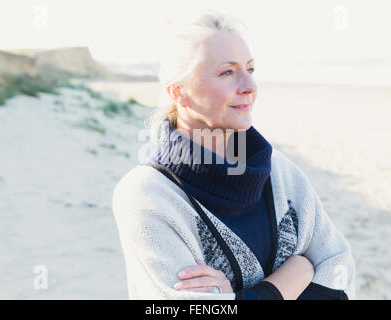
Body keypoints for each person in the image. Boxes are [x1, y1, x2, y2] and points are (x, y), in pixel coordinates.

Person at [112, 9, 356, 300]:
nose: (250, 86)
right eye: (227, 72)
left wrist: (238, 297)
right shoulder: (147, 194)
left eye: (250, 69)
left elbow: (339, 274)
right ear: (180, 93)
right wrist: (295, 274)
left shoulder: (281, 173)